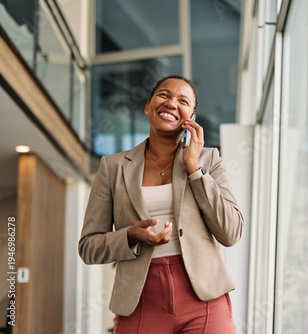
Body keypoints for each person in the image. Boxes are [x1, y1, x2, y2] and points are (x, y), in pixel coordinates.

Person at [78, 75, 244, 333]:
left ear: (192, 117)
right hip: (141, 303)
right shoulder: (113, 167)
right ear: (148, 106)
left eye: (183, 100)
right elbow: (88, 247)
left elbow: (230, 233)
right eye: (164, 95)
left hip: (204, 301)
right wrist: (130, 236)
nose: (171, 103)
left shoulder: (209, 160)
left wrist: (194, 169)